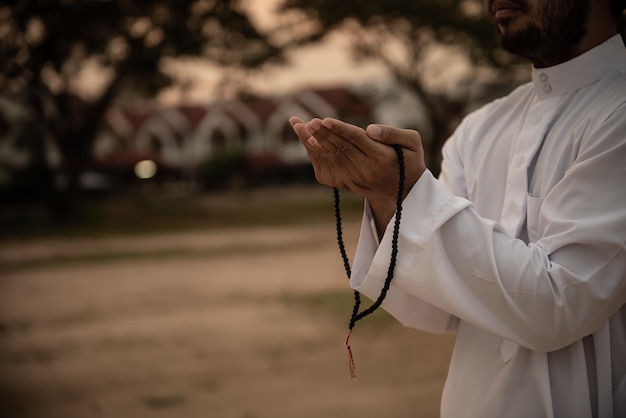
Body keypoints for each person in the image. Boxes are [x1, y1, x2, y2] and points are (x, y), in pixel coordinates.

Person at [289, 0, 626, 417]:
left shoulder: (619, 111)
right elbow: (437, 309)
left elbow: (559, 307)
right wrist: (383, 195)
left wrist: (411, 190)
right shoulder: (480, 129)